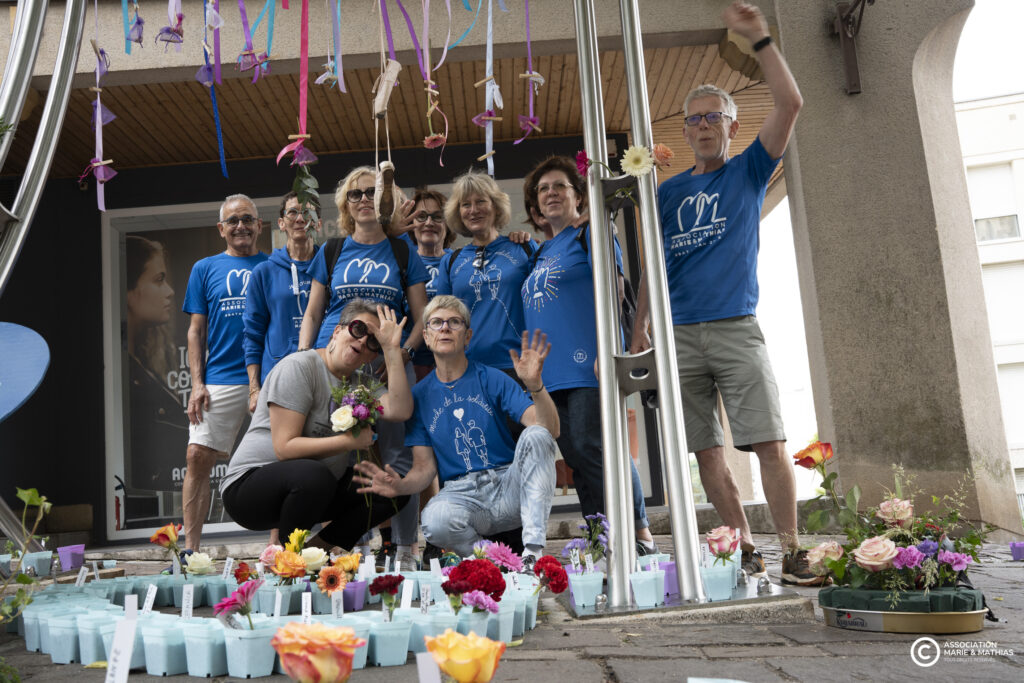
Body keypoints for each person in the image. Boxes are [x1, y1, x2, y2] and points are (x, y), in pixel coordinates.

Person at [631, 1, 815, 585]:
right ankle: (743, 549)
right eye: (694, 120)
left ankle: (792, 551)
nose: (703, 125)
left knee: (769, 441)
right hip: (679, 336)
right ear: (685, 131)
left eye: (714, 117)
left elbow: (791, 103)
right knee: (706, 452)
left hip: (736, 326)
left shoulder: (749, 170)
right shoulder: (667, 192)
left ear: (733, 126)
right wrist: (639, 329)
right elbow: (652, 265)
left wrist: (759, 38)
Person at [521, 156, 658, 556]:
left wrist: (606, 346)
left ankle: (637, 535)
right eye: (543, 189)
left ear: (578, 196)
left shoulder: (591, 233)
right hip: (551, 373)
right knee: (579, 457)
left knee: (594, 447)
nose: (551, 193)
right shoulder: (540, 252)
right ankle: (602, 539)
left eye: (559, 186)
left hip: (587, 363)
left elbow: (614, 289)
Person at [353, 295, 559, 561]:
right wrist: (400, 486)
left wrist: (535, 386)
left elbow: (549, 431)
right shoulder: (419, 396)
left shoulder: (491, 378)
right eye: (436, 323)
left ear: (467, 337)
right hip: (462, 496)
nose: (445, 328)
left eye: (454, 322)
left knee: (536, 433)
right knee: (434, 520)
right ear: (426, 337)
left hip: (508, 487)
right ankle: (492, 562)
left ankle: (532, 553)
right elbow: (424, 468)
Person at [299, 166, 430, 568]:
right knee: (339, 458)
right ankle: (348, 547)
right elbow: (314, 312)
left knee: (396, 455)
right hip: (336, 365)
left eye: (372, 192)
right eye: (355, 194)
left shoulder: (403, 251)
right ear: (345, 204)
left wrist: (403, 354)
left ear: (387, 200)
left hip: (388, 365)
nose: (363, 200)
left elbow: (422, 316)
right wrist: (304, 356)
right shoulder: (332, 250)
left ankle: (405, 548)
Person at [221, 302, 414, 548]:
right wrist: (349, 442)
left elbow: (400, 410)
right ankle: (292, 556)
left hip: (315, 487)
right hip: (248, 489)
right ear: (337, 331)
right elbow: (284, 448)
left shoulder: (362, 384)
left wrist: (392, 349)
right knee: (315, 475)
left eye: (374, 340)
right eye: (358, 329)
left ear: (373, 355)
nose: (364, 340)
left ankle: (317, 551)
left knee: (392, 489)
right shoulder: (299, 367)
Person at [182, 194, 268, 552]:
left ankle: (282, 550)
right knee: (196, 456)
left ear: (259, 225)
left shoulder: (273, 265)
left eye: (247, 219)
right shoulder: (204, 268)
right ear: (221, 229)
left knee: (283, 458)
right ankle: (191, 551)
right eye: (233, 220)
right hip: (220, 378)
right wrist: (197, 384)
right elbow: (195, 331)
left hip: (268, 377)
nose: (240, 226)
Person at [434, 170, 538, 375]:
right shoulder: (451, 261)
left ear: (495, 206)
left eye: (481, 201)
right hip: (467, 368)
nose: (473, 210)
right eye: (466, 204)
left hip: (518, 366)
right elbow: (441, 318)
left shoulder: (524, 248)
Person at [243, 191, 321, 400]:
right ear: (281, 223)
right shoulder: (264, 272)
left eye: (308, 213)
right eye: (292, 212)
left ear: (318, 224)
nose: (300, 218)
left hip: (324, 374)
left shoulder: (330, 268)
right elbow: (253, 334)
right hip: (277, 376)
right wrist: (254, 389)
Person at [125, 235, 186, 497]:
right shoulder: (124, 373)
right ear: (129, 291)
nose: (170, 291)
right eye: (159, 280)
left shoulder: (146, 358)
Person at [404, 189, 456, 380]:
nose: (429, 222)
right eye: (421, 216)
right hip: (409, 362)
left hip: (453, 361)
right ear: (411, 224)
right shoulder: (401, 263)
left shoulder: (459, 261)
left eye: (437, 216)